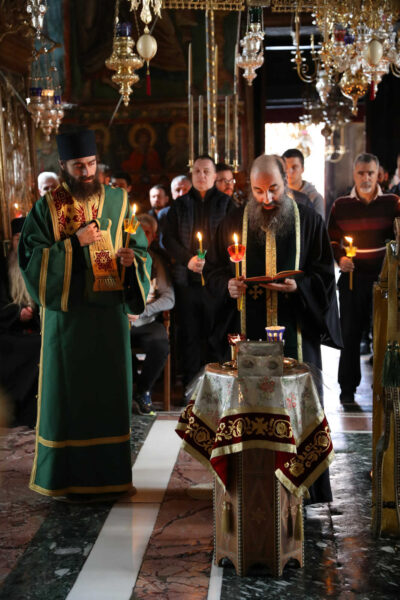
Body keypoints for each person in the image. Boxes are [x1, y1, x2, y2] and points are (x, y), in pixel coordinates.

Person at [18, 130, 151, 501]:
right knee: (69, 398)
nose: (87, 172)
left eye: (91, 164)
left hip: (108, 320)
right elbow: (30, 259)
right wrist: (74, 244)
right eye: (79, 166)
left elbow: (140, 247)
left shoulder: (119, 200)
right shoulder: (48, 207)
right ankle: (65, 478)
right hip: (68, 321)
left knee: (108, 398)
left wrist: (133, 261)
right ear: (64, 166)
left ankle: (110, 477)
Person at [204, 154, 342, 503]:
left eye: (274, 189)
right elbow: (213, 270)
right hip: (246, 338)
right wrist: (226, 287)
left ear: (286, 183)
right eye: (258, 190)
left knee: (296, 412)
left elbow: (325, 277)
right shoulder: (233, 221)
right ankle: (248, 485)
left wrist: (300, 287)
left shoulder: (309, 221)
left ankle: (304, 489)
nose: (266, 198)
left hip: (296, 336)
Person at [328, 152, 400, 404]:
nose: (366, 178)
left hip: (384, 279)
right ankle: (347, 389)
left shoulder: (393, 203)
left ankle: (384, 387)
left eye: (371, 173)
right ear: (354, 174)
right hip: (352, 278)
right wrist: (340, 258)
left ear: (379, 175)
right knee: (350, 333)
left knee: (384, 336)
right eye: (361, 173)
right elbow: (332, 239)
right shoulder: (340, 205)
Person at [163, 155, 234, 398]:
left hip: (217, 282)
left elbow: (233, 238)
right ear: (191, 175)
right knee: (190, 335)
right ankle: (191, 389)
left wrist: (211, 263)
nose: (201, 176)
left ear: (215, 176)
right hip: (187, 281)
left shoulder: (226, 204)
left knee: (216, 334)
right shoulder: (180, 205)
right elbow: (168, 239)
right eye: (197, 171)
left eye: (206, 171)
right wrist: (188, 259)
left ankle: (217, 387)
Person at [129, 214, 174, 415]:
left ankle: (142, 390)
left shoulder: (156, 261)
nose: (142, 236)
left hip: (146, 321)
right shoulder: (121, 255)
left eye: (147, 233)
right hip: (121, 322)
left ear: (153, 236)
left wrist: (141, 312)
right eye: (138, 231)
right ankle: (125, 390)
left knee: (160, 344)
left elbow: (169, 298)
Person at [0, 217, 40, 428]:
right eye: (17, 238)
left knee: (44, 344)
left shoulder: (38, 267)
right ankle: (14, 410)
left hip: (32, 330)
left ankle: (32, 412)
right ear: (11, 242)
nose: (22, 243)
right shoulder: (2, 268)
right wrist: (17, 314)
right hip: (7, 332)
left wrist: (33, 313)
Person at [282, 148, 325, 219]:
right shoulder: (278, 195)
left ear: (302, 169)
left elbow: (319, 224)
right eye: (286, 168)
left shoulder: (314, 198)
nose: (289, 172)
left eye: (294, 167)